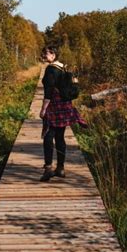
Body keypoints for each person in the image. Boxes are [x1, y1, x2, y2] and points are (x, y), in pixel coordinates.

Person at [39, 45, 87, 182]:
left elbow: (48, 93)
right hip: (65, 106)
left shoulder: (51, 70)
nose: (44, 55)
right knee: (60, 136)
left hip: (54, 106)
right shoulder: (63, 67)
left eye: (46, 53)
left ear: (53, 55)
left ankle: (48, 168)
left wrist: (43, 109)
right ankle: (60, 168)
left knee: (48, 135)